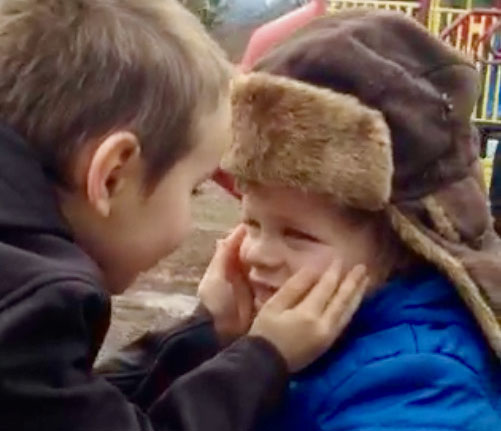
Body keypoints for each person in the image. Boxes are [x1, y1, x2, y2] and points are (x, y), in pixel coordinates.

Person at [0, 1, 369, 430]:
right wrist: (264, 357)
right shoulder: (33, 308)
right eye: (194, 188)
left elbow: (77, 410)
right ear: (113, 176)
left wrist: (202, 333)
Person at [220, 10, 501, 430]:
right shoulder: (310, 335)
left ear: (403, 244)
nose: (258, 253)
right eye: (253, 223)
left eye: (297, 234)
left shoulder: (422, 385)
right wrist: (236, 353)